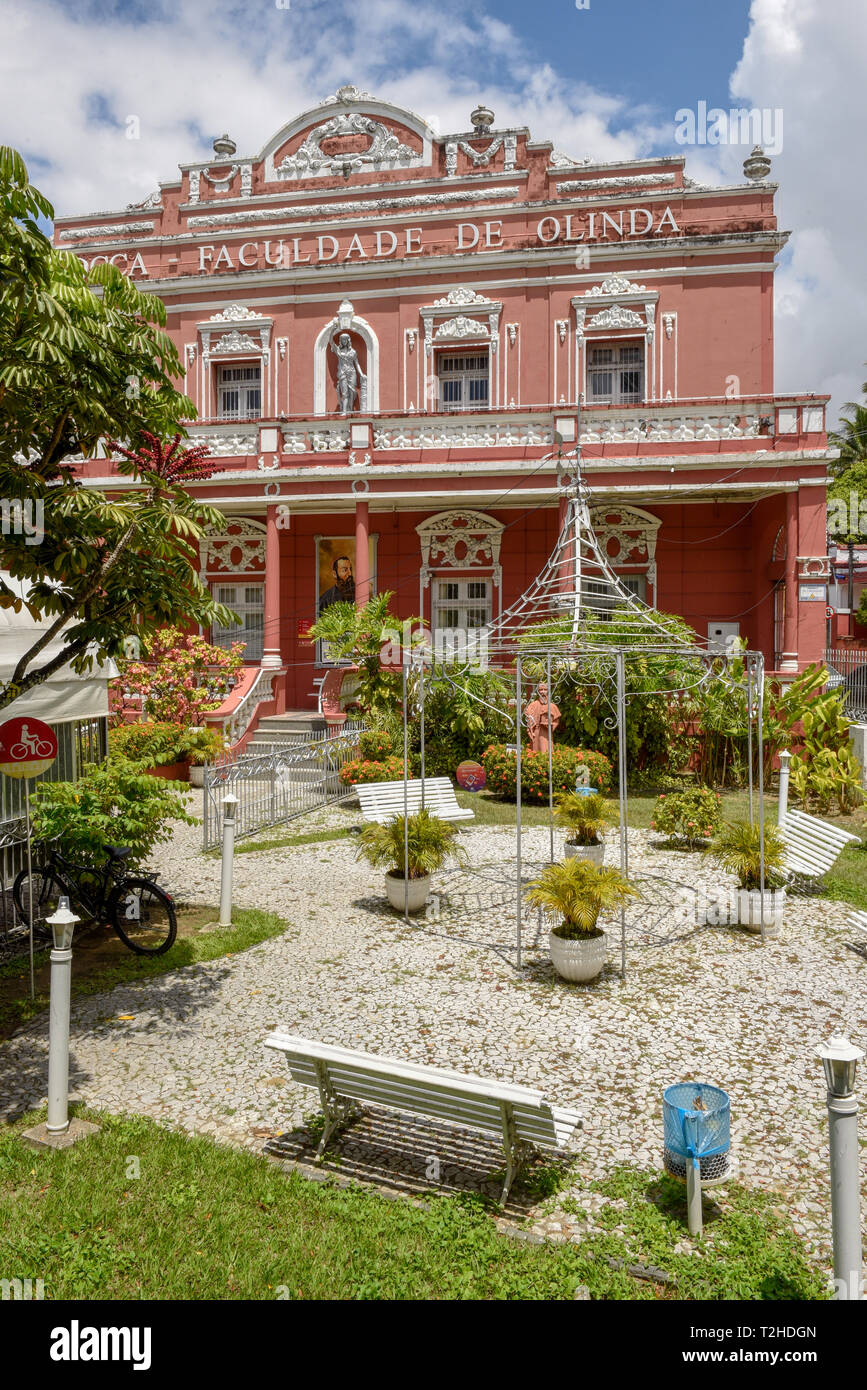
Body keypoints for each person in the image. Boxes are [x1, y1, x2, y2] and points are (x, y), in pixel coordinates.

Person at [524, 681, 561, 754]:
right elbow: (528, 720)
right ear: (538, 691)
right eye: (541, 690)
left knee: (546, 751)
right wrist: (530, 731)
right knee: (535, 752)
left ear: (548, 691)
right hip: (536, 732)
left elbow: (556, 721)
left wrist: (550, 726)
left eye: (545, 690)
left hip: (546, 733)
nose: (543, 692)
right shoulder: (533, 705)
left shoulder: (552, 706)